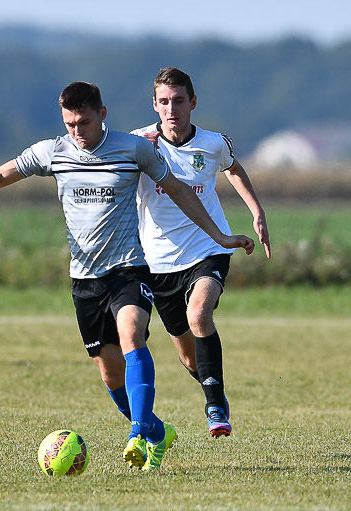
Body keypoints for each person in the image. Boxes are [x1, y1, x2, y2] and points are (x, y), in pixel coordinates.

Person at [0, 81, 254, 470]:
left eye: (84, 122)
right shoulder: (53, 152)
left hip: (128, 269)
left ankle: (138, 432)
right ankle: (157, 431)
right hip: (85, 279)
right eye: (70, 124)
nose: (78, 132)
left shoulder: (133, 149)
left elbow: (179, 190)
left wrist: (220, 236)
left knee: (132, 335)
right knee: (109, 373)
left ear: (102, 115)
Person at [132, 67, 271, 437]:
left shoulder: (212, 144)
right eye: (164, 102)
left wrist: (256, 211)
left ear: (192, 102)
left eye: (179, 101)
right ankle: (214, 389)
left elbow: (233, 168)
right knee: (187, 355)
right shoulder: (139, 143)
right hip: (158, 262)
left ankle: (214, 407)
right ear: (154, 105)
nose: (172, 109)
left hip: (209, 247)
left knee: (199, 314)